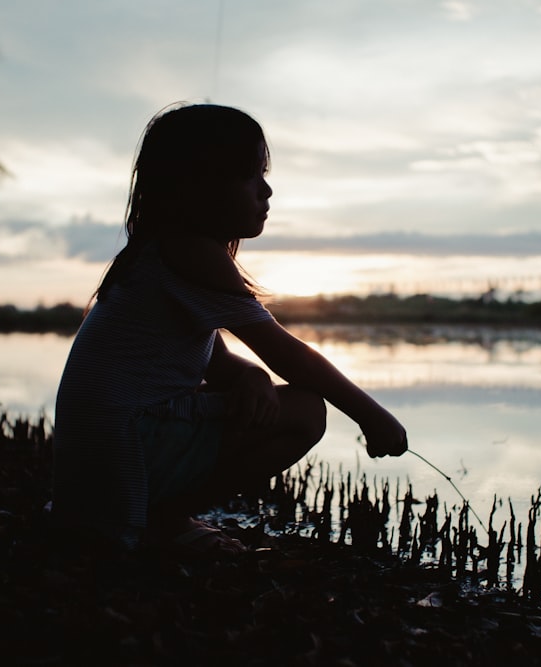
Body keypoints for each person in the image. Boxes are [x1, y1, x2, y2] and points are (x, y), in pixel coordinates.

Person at [53, 103, 408, 556]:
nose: (267, 190)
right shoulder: (190, 253)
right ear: (199, 186)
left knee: (264, 400)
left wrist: (251, 376)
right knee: (304, 411)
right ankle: (162, 521)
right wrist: (373, 417)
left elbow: (218, 363)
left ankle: (157, 517)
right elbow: (287, 355)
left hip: (93, 472)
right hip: (120, 456)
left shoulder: (157, 253)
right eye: (251, 175)